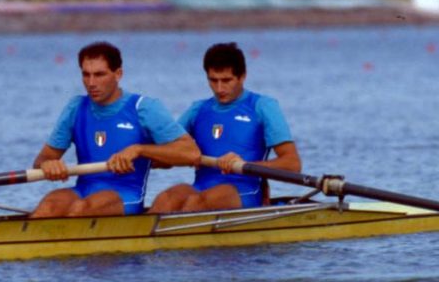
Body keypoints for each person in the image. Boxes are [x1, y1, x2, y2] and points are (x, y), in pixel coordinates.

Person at [30, 41, 199, 218]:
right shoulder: (76, 107)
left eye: (99, 75)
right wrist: (48, 164)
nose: (91, 83)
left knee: (82, 209)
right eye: (86, 75)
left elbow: (191, 153)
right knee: (49, 204)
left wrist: (139, 150)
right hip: (82, 190)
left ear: (118, 74)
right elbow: (43, 159)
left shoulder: (144, 108)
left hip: (124, 196)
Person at [150, 42, 301, 213]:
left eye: (226, 80)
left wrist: (244, 164)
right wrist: (137, 153)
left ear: (242, 76)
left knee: (197, 204)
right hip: (200, 188)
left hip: (243, 191)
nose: (219, 88)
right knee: (166, 199)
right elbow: (164, 157)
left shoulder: (263, 107)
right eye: (213, 80)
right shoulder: (198, 109)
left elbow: (292, 164)